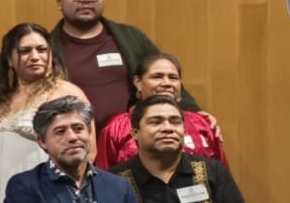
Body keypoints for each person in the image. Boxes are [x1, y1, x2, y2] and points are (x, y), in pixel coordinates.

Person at [0, 96, 149, 203]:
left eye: (78, 128)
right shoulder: (25, 187)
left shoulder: (120, 187)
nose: (72, 137)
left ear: (90, 134)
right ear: (42, 141)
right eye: (60, 131)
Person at [112, 95, 258, 203]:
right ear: (135, 133)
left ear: (184, 130)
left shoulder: (212, 171)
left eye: (175, 122)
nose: (167, 128)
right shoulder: (117, 182)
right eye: (155, 122)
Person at [47, 0, 199, 128]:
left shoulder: (130, 37)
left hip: (131, 142)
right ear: (59, 0)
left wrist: (195, 115)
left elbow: (165, 77)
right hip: (75, 144)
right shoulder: (46, 48)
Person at [0, 22, 89, 203]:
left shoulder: (65, 92)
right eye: (25, 51)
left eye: (42, 50)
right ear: (9, 59)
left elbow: (88, 152)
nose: (35, 57)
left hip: (49, 196)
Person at [95, 53, 227, 170]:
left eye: (173, 78)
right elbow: (103, 179)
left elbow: (221, 175)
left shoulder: (202, 123)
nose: (166, 83)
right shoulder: (116, 127)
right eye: (157, 77)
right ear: (138, 82)